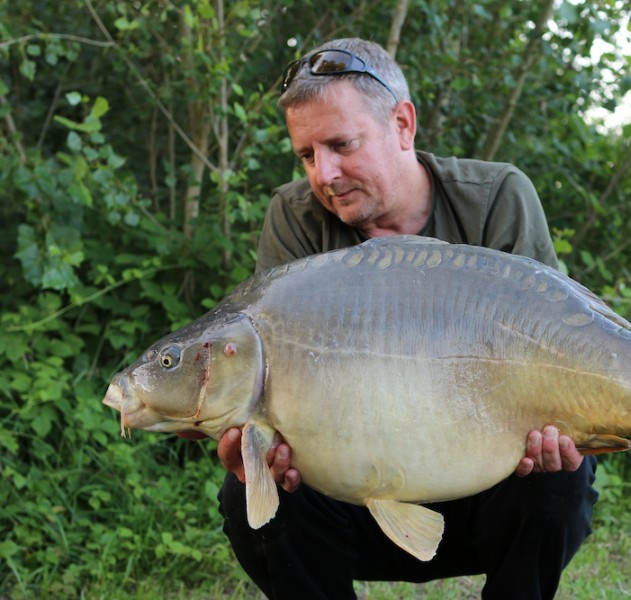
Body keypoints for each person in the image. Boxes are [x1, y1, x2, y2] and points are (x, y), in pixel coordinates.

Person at [211, 37, 599, 599]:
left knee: (562, 476)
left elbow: (557, 351)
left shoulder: (496, 199)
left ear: (402, 124)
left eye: (342, 145)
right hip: (353, 499)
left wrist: (562, 427)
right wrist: (256, 444)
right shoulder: (294, 219)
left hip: (485, 483)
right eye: (307, 154)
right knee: (252, 494)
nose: (325, 174)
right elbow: (271, 382)